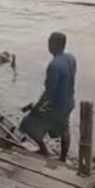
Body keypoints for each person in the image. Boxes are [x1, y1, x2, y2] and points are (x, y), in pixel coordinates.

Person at [19, 32, 77, 161]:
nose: (48, 44)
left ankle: (44, 151)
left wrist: (37, 107)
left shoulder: (53, 65)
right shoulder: (71, 58)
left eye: (50, 42)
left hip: (57, 106)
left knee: (27, 124)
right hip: (69, 101)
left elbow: (49, 92)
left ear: (55, 44)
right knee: (64, 129)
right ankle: (62, 158)